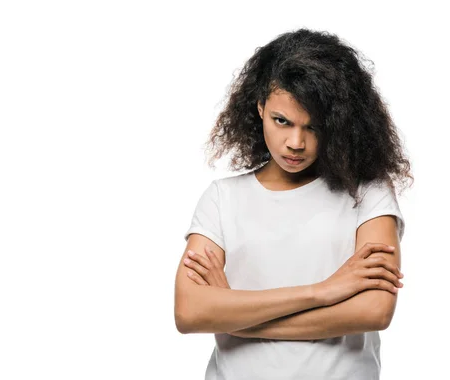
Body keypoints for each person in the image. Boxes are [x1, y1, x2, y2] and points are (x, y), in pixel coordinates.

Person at [174, 28, 414, 380]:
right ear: (259, 108)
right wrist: (324, 291)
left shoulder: (368, 193)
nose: (295, 142)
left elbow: (374, 310)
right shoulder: (223, 198)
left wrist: (239, 320)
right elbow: (190, 312)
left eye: (313, 127)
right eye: (281, 121)